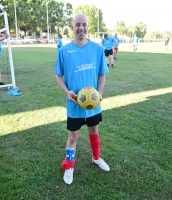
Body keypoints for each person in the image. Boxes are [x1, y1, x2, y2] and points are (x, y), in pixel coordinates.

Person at [55, 14, 110, 185]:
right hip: (75, 105)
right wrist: (66, 92)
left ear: (87, 27)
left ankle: (96, 158)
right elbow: (58, 75)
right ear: (72, 27)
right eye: (77, 24)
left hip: (94, 103)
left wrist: (99, 93)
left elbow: (102, 74)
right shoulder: (64, 51)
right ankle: (69, 166)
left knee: (94, 131)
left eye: (84, 24)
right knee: (74, 136)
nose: (81, 28)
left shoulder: (97, 49)